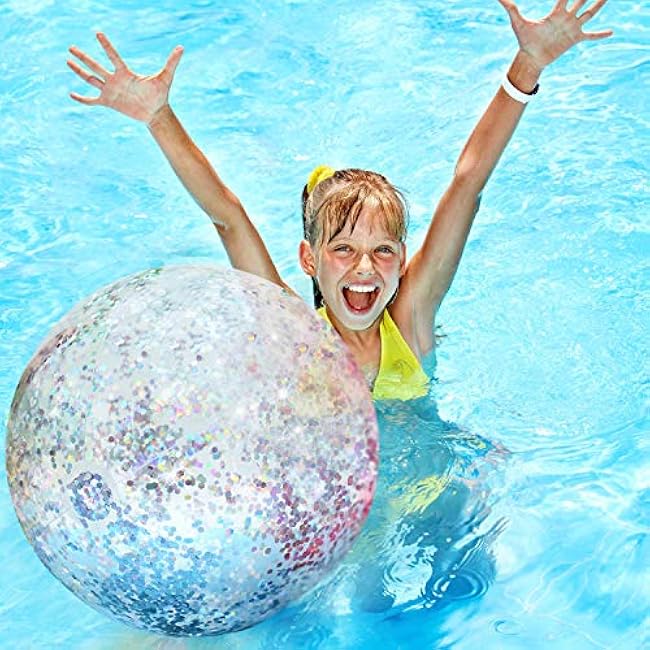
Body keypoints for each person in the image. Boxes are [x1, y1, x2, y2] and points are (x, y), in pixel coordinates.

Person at [67, 0, 612, 400]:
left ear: (403, 259)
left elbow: (467, 184)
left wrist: (527, 67)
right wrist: (158, 117)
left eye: (382, 251)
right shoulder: (295, 335)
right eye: (344, 249)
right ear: (309, 258)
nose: (364, 268)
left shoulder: (412, 319)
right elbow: (228, 218)